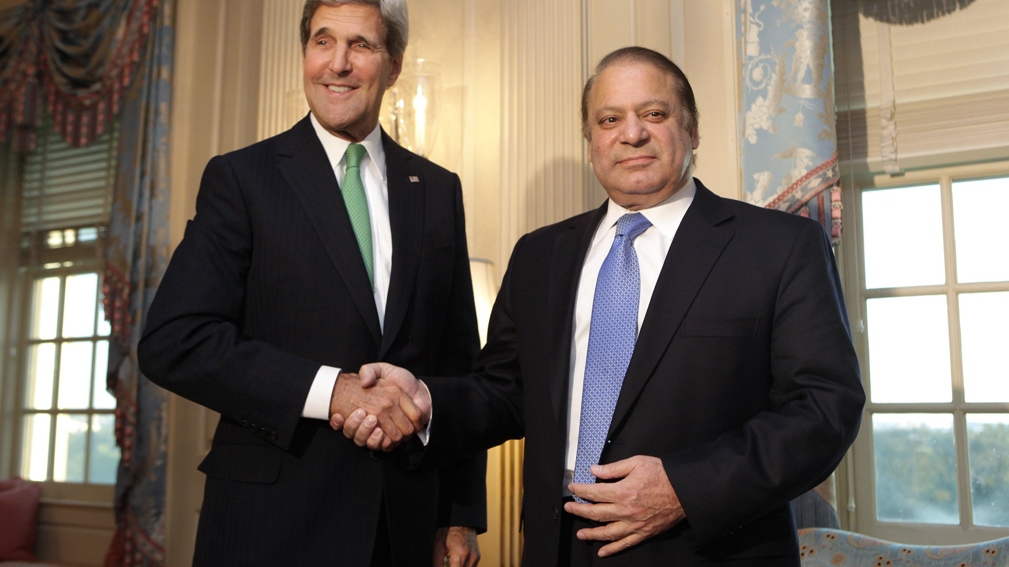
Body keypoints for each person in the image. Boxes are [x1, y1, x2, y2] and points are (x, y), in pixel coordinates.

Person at [337, 47, 865, 566]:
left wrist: (684, 488)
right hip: (558, 545)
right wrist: (428, 400)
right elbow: (504, 392)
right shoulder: (540, 254)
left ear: (693, 130)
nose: (631, 133)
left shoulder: (778, 246)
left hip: (703, 547)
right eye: (609, 119)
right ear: (592, 141)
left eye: (654, 114)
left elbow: (824, 409)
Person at [138, 0, 485, 567]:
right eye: (323, 42)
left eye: (361, 46)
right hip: (271, 523)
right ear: (304, 54)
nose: (338, 64)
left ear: (393, 65)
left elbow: (458, 363)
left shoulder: (436, 189)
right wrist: (333, 391)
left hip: (402, 523)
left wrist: (458, 515)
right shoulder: (242, 179)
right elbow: (175, 341)